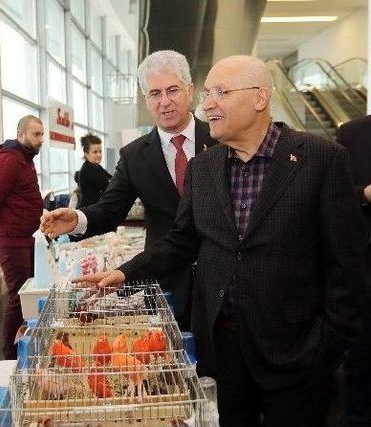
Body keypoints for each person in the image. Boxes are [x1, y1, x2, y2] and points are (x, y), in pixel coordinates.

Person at [44, 55, 366, 427]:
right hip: (222, 352)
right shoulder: (205, 167)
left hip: (295, 354)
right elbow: (182, 241)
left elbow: (348, 266)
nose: (208, 105)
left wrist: (324, 348)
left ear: (260, 98)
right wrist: (122, 273)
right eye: (208, 94)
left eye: (220, 93)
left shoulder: (321, 160)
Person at [39, 50, 217, 328]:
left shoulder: (220, 140)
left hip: (220, 279)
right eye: (155, 93)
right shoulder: (135, 155)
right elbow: (110, 210)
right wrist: (77, 219)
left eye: (173, 90)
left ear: (190, 91)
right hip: (166, 279)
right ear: (146, 99)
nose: (165, 102)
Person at [0, 115, 44, 359]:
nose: (41, 140)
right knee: (19, 295)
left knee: (27, 293)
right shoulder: (8, 160)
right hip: (10, 238)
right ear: (21, 135)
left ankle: (26, 344)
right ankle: (11, 355)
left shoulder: (25, 159)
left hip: (24, 237)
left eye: (42, 135)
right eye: (36, 134)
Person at [336, 116, 371, 427]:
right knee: (360, 356)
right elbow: (336, 193)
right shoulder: (353, 133)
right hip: (363, 265)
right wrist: (366, 194)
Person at [76, 134, 111, 208]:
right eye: (95, 152)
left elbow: (111, 177)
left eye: (100, 151)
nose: (99, 155)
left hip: (95, 208)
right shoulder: (88, 170)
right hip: (90, 210)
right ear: (86, 153)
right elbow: (108, 188)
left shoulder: (96, 166)